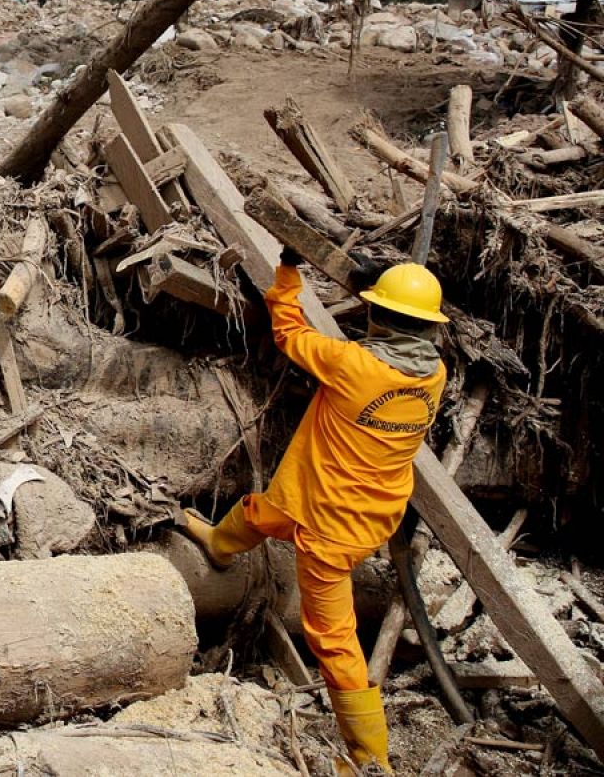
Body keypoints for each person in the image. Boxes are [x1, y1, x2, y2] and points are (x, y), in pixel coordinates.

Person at [181, 250, 449, 775]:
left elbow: (289, 331)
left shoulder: (353, 367)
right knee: (267, 511)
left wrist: (287, 274)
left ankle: (370, 757)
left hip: (330, 529)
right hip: (369, 510)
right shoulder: (433, 374)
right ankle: (220, 542)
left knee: (335, 643)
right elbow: (392, 336)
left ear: (380, 318)